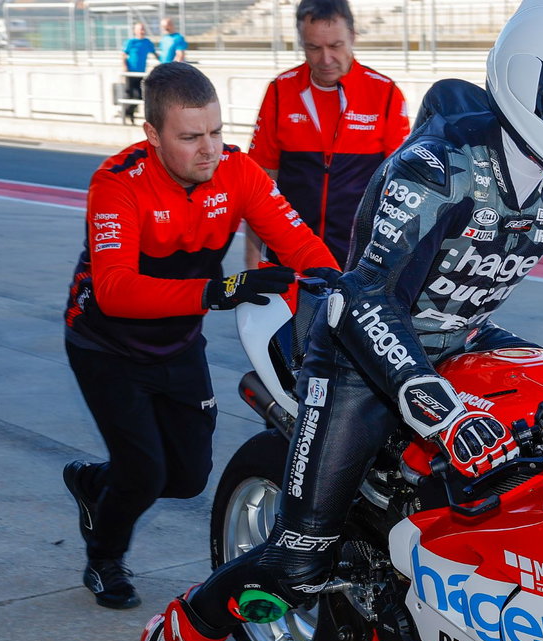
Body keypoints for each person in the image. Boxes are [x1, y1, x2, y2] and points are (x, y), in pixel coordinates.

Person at [123, 0, 543, 641]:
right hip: (362, 356)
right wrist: (440, 410)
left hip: (464, 340)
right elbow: (362, 297)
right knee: (299, 561)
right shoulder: (434, 170)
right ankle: (176, 638)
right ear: (523, 84)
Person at [63, 62, 339, 610]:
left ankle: (99, 485)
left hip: (178, 341)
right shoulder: (117, 182)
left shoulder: (238, 172)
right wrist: (216, 291)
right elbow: (115, 289)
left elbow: (303, 246)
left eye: (215, 130)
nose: (208, 147)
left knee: (188, 478)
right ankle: (104, 558)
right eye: (190, 137)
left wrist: (341, 293)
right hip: (107, 347)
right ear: (153, 136)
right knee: (144, 473)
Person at [243, 0, 410, 270]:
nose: (325, 59)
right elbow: (260, 186)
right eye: (313, 47)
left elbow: (400, 189)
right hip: (290, 258)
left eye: (335, 46)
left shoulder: (385, 94)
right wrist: (252, 265)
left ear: (352, 36)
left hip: (356, 263)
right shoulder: (280, 91)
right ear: (300, 42)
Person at [120, 22, 158, 124]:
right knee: (130, 94)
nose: (142, 31)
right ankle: (127, 114)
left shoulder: (147, 42)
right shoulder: (130, 42)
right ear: (135, 31)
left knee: (139, 96)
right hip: (131, 73)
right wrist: (125, 68)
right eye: (140, 29)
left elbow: (155, 53)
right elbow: (123, 55)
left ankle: (128, 113)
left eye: (143, 29)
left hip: (141, 74)